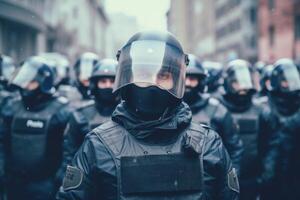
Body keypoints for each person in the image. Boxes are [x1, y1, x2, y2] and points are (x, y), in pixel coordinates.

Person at [57, 31, 239, 200]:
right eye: (143, 74)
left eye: (163, 76)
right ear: (127, 77)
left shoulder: (208, 144)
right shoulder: (98, 146)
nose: (153, 84)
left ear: (177, 80)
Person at [0, 56, 72, 200]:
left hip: (46, 184)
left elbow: (69, 151)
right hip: (14, 182)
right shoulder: (11, 107)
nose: (26, 86)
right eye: (24, 81)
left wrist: (60, 179)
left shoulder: (61, 110)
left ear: (44, 83)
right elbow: (2, 143)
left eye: (31, 82)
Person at [183, 54, 243, 172]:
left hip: (210, 179)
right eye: (185, 78)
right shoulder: (166, 110)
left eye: (193, 79)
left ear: (200, 82)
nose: (188, 83)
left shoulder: (217, 110)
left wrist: (230, 182)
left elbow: (234, 149)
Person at [59, 58, 119, 172]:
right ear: (94, 85)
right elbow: (70, 154)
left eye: (112, 82)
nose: (108, 86)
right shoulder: (80, 115)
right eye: (103, 82)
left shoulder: (129, 113)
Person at [220, 59, 263, 200]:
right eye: (237, 83)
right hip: (223, 181)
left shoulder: (261, 110)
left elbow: (268, 145)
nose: (242, 88)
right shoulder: (217, 110)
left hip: (253, 178)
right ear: (228, 83)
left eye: (246, 82)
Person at [258, 59, 300, 200]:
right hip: (270, 176)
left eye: (293, 80)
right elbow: (258, 146)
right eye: (285, 81)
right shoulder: (264, 109)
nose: (290, 85)